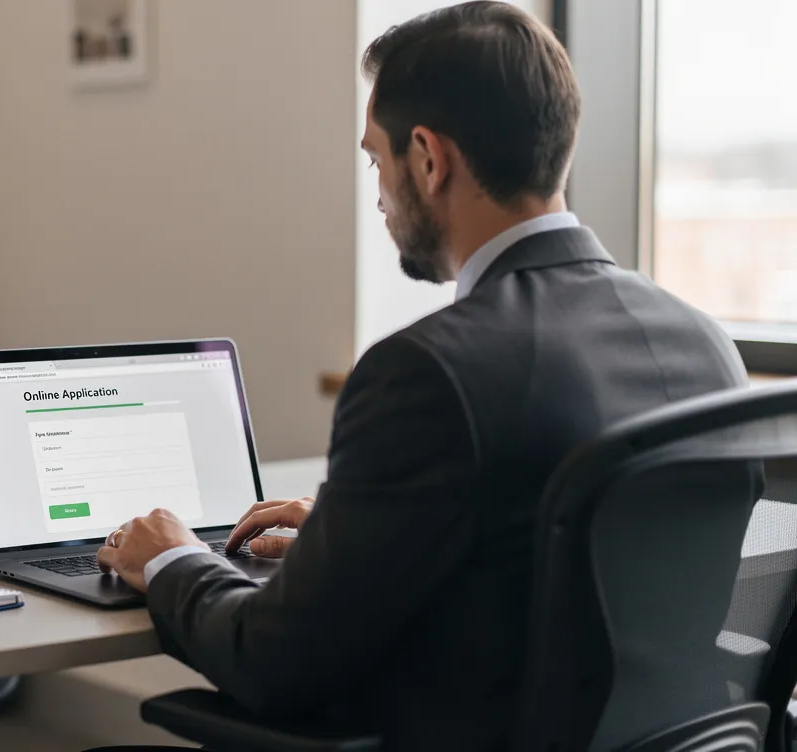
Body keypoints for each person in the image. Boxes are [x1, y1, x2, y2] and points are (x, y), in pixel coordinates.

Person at [93, 2, 749, 749]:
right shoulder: (705, 344)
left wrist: (173, 558)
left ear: (430, 160)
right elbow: (565, 573)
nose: (378, 194)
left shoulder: (427, 373)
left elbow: (273, 662)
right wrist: (358, 537)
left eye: (378, 160)